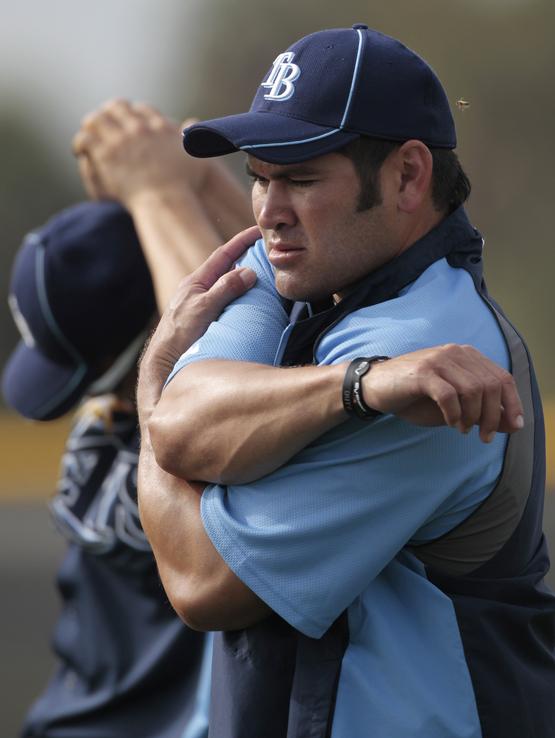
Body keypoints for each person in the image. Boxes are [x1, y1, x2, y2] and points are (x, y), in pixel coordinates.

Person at [74, 25, 554, 738]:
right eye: (258, 179)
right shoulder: (304, 268)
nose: (269, 213)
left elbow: (202, 581)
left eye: (300, 179)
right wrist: (353, 385)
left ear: (407, 176)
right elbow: (181, 425)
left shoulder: (430, 347)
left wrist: (158, 388)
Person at [2, 117, 254, 738]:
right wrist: (164, 189)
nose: (103, 396)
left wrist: (183, 178)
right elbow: (227, 352)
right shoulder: (184, 424)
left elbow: (244, 289)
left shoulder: (153, 422)